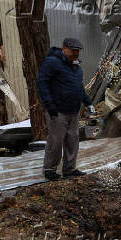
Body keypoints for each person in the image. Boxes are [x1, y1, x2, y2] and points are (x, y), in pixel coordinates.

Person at [37, 37, 95, 180]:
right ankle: (49, 170)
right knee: (55, 142)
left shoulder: (76, 67)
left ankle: (69, 169)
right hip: (58, 111)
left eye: (78, 51)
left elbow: (79, 88)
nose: (76, 54)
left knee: (72, 142)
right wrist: (49, 105)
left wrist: (88, 102)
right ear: (64, 48)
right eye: (73, 51)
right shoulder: (52, 62)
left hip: (73, 111)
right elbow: (42, 83)